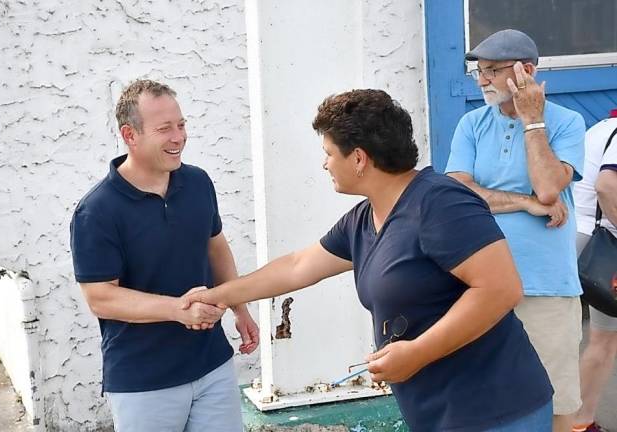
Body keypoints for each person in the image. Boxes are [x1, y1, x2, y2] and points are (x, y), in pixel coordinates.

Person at [183, 89, 554, 431]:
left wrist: (418, 353)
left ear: (359, 157)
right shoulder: (364, 218)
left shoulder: (440, 204)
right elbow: (298, 266)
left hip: (496, 409)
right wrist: (220, 295)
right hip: (438, 411)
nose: (324, 165)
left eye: (329, 153)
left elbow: (501, 288)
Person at [70, 79, 259, 432]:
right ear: (130, 135)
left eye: (181, 125)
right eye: (165, 129)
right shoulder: (96, 211)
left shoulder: (199, 182)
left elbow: (215, 245)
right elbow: (100, 297)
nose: (179, 137)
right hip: (144, 381)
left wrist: (240, 307)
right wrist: (179, 310)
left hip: (211, 365)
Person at [445, 29, 585, 432]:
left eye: (492, 70)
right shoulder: (471, 123)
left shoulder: (568, 122)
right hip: (479, 282)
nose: (483, 79)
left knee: (557, 401)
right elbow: (459, 193)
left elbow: (547, 187)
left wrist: (532, 121)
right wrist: (523, 203)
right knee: (484, 396)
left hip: (546, 284)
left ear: (526, 71)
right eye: (479, 71)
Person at [572, 116, 617, 432]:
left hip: (573, 235)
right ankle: (579, 421)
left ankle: (578, 423)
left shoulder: (602, 126)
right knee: (604, 339)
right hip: (601, 244)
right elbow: (607, 185)